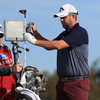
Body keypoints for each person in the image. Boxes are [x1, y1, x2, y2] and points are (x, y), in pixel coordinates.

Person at [24, 4, 90, 100]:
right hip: (62, 84)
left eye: (64, 17)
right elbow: (50, 45)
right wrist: (35, 33)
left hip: (76, 84)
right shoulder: (65, 34)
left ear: (73, 16)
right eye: (60, 17)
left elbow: (58, 45)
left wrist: (34, 41)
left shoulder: (80, 32)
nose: (61, 20)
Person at [0, 24, 22, 100]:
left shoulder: (6, 48)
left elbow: (10, 66)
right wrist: (12, 69)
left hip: (10, 90)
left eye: (1, 35)